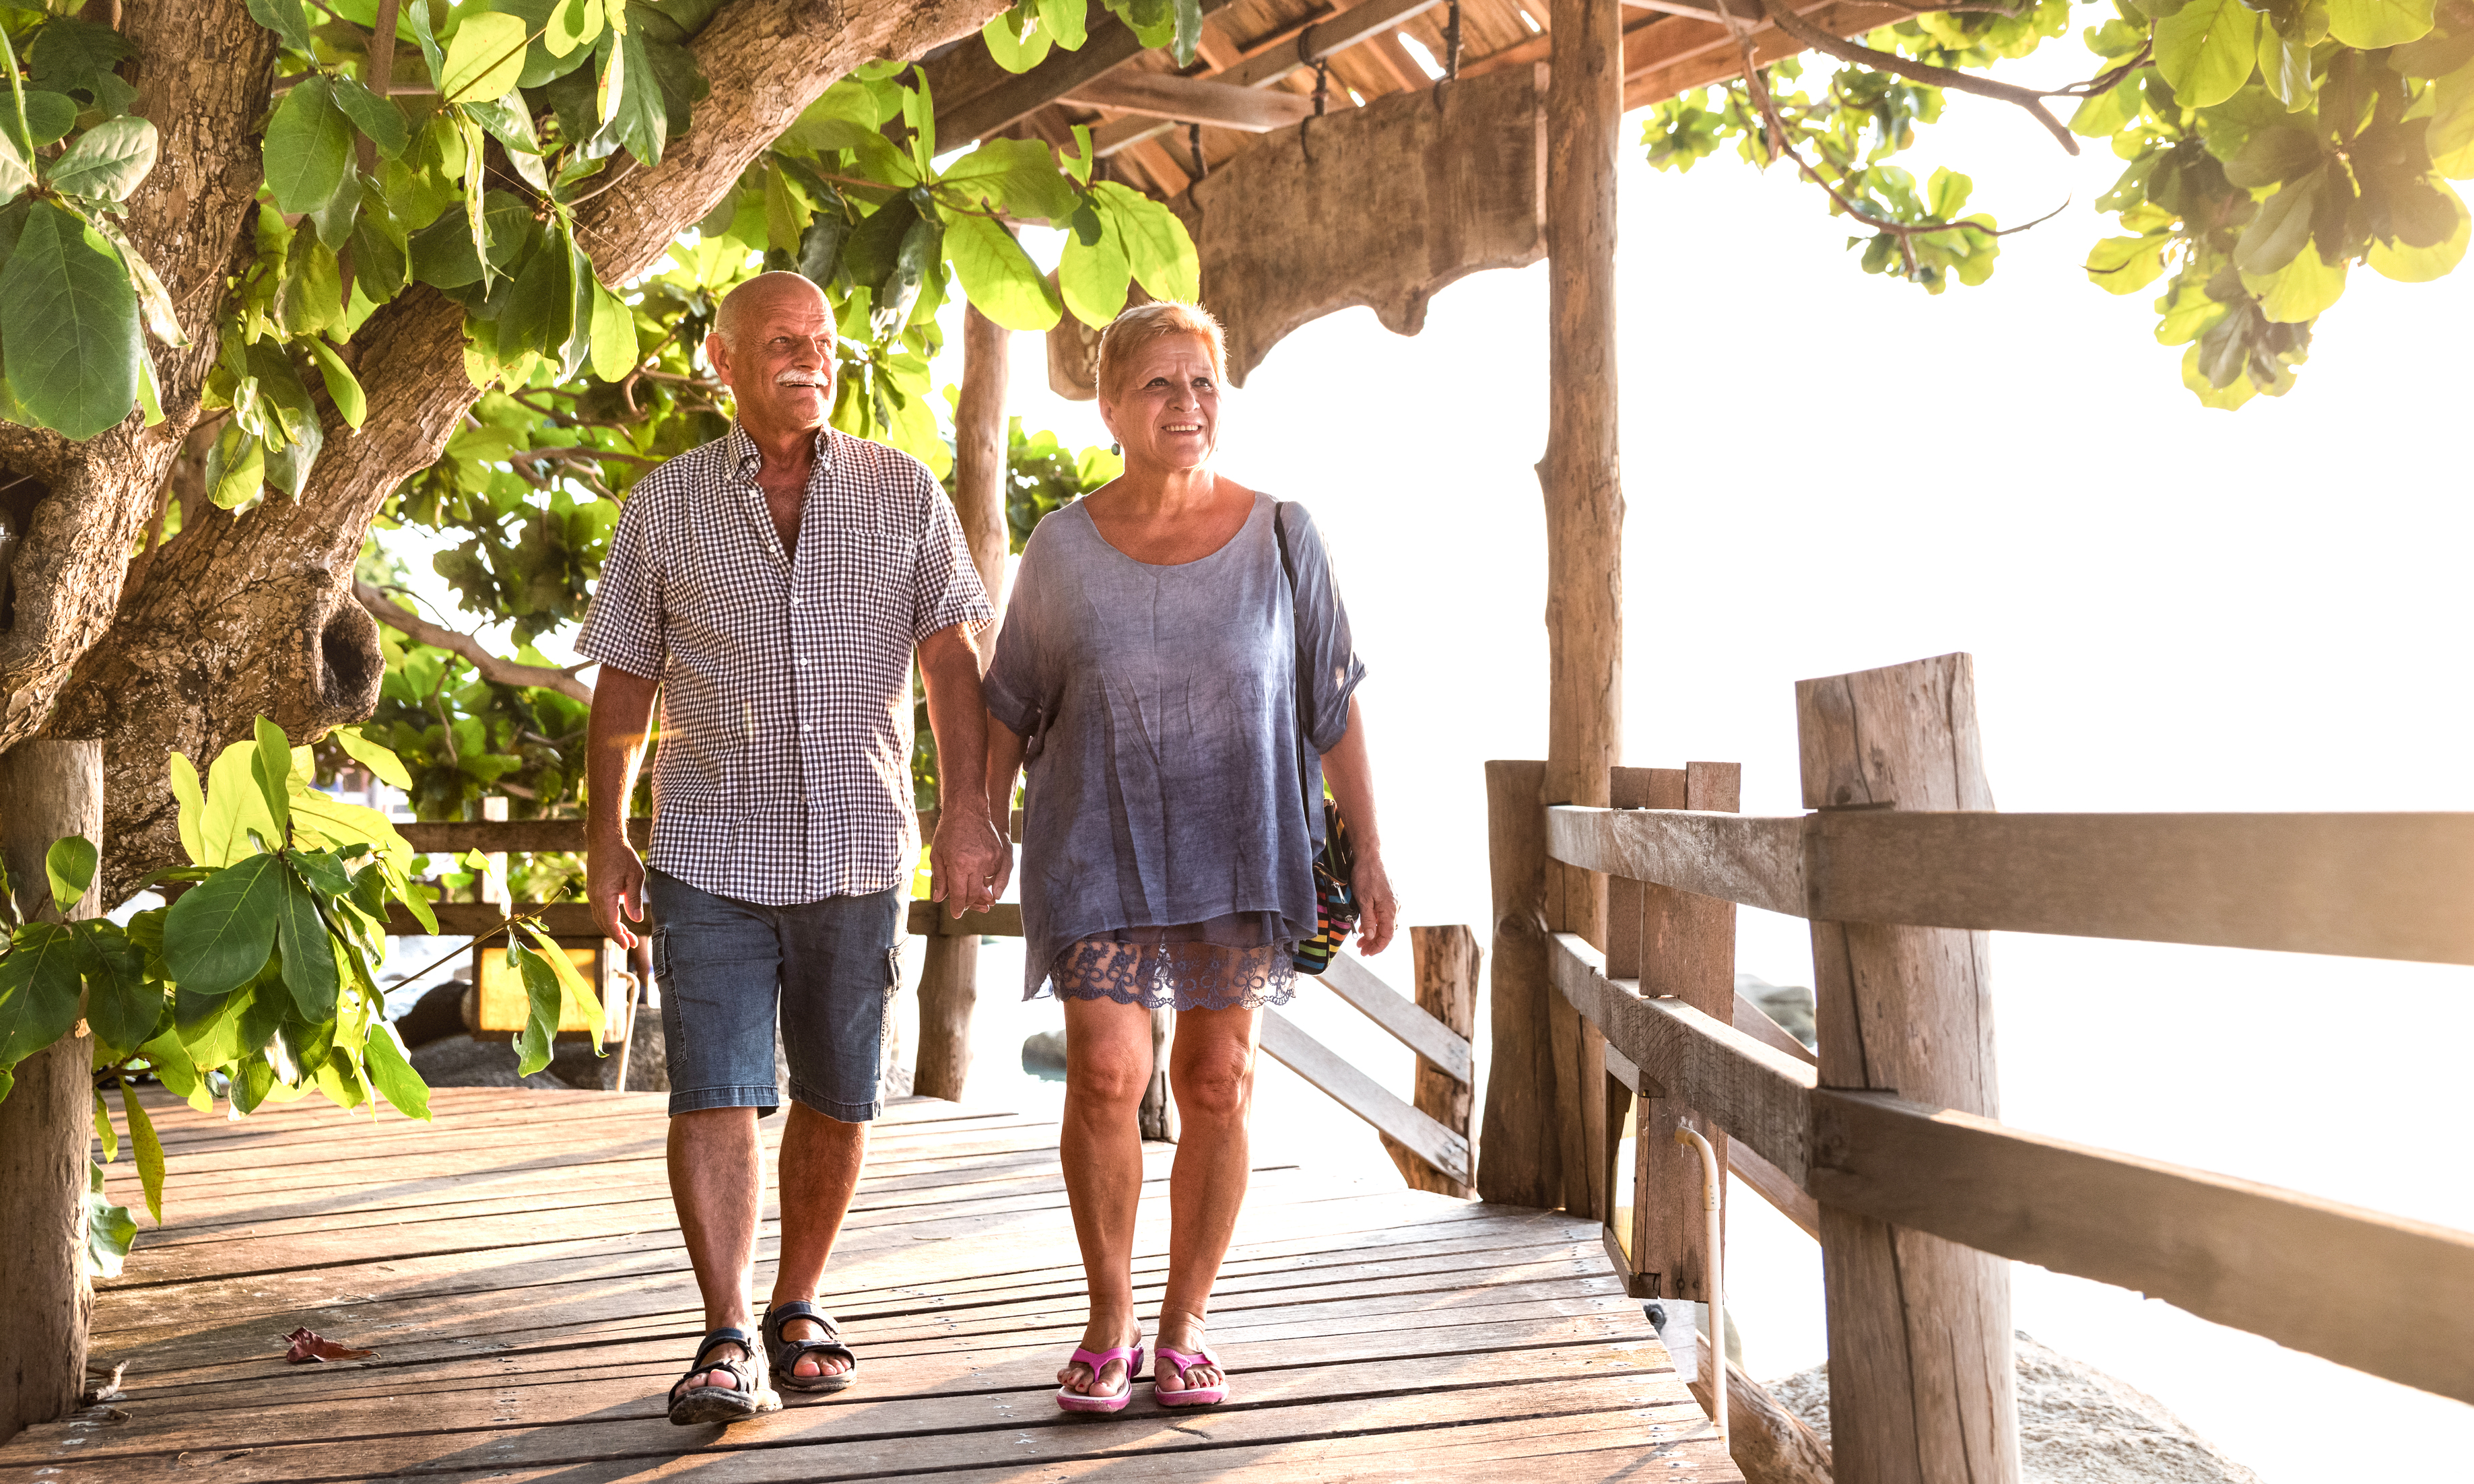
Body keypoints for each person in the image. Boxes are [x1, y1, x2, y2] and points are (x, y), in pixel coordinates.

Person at [577, 271, 1007, 1426]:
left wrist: (968, 809)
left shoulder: (904, 493)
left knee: (838, 1094)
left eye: (821, 340)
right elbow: (624, 683)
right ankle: (725, 1334)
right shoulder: (661, 506)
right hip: (707, 847)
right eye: (781, 342)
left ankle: (798, 1304)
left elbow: (952, 665)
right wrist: (607, 836)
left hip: (862, 849)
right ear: (722, 360)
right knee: (711, 1091)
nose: (809, 358)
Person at [980, 300, 1397, 1415]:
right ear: (1110, 404)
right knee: (1110, 1074)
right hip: (1096, 841)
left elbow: (1333, 704)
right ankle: (1108, 1316)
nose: (1186, 404)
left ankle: (1185, 1321)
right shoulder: (1061, 544)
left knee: (1216, 1081)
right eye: (1159, 385)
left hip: (1244, 841)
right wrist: (973, 818)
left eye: (1202, 382)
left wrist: (1370, 850)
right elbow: (1013, 700)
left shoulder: (1281, 533)